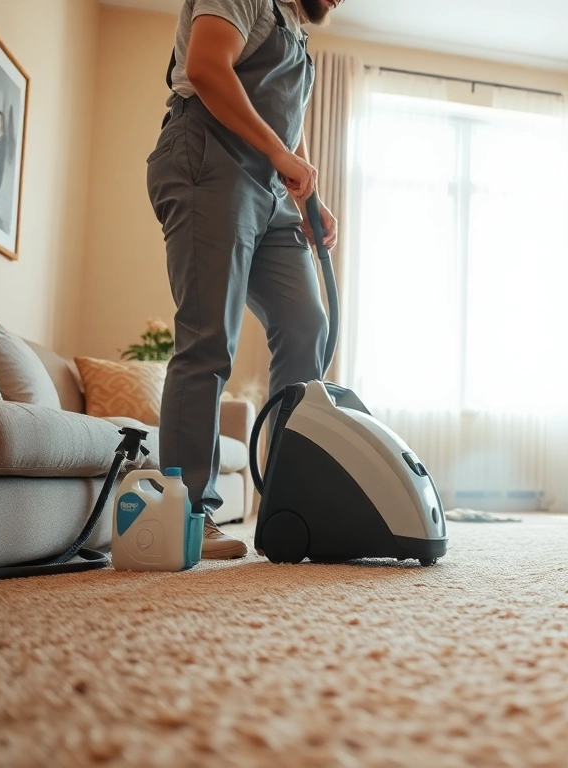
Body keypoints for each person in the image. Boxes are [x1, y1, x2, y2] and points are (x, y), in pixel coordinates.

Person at [146, 0, 344, 559]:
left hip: (270, 189)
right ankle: (187, 511)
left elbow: (284, 123)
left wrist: (311, 199)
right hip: (207, 156)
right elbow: (209, 68)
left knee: (306, 325)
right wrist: (281, 154)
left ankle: (290, 502)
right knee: (209, 337)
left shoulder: (297, 31)